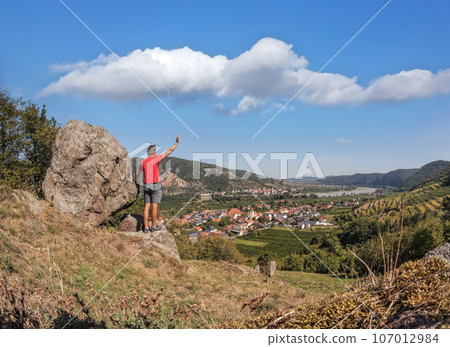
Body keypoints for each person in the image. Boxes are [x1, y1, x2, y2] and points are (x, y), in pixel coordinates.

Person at [135, 135, 180, 233]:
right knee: (154, 206)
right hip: (155, 185)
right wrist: (176, 143)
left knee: (147, 206)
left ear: (147, 152)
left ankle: (146, 227)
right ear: (154, 152)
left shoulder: (143, 162)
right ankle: (153, 226)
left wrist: (136, 182)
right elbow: (168, 151)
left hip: (146, 186)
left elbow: (137, 173)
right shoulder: (156, 159)